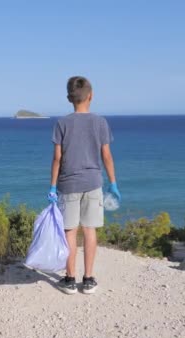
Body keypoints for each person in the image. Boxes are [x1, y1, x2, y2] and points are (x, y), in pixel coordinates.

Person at [48, 76, 121, 295]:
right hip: (93, 183)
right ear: (91, 96)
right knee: (90, 230)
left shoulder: (62, 123)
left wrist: (52, 186)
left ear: (69, 98)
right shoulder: (100, 122)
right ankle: (88, 279)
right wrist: (113, 183)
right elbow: (106, 156)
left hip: (68, 184)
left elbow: (57, 158)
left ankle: (69, 280)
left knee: (70, 231)